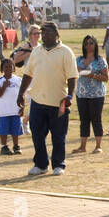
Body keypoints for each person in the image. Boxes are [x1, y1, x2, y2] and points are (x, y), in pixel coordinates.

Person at [16, 22, 77, 177]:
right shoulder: (36, 51)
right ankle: (41, 164)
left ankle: (58, 164)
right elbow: (27, 74)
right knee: (37, 134)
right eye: (42, 33)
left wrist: (70, 95)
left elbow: (72, 76)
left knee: (58, 135)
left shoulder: (65, 52)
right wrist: (20, 94)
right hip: (37, 101)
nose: (44, 36)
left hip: (59, 102)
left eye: (48, 32)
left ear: (56, 34)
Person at [73, 35, 109, 154]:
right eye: (86, 43)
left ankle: (98, 145)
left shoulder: (100, 60)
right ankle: (82, 146)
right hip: (82, 93)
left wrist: (93, 75)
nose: (88, 45)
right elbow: (74, 72)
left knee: (96, 119)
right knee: (84, 120)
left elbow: (106, 78)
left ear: (95, 44)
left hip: (96, 94)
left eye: (91, 43)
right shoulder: (79, 59)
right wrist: (78, 70)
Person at [0, 57, 24, 155]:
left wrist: (22, 108)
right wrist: (4, 87)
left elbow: (22, 95)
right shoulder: (0, 81)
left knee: (16, 129)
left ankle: (16, 146)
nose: (8, 69)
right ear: (2, 69)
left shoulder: (18, 80)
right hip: (4, 110)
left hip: (15, 110)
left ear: (14, 68)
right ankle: (4, 146)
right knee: (4, 129)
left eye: (10, 67)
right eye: (5, 67)